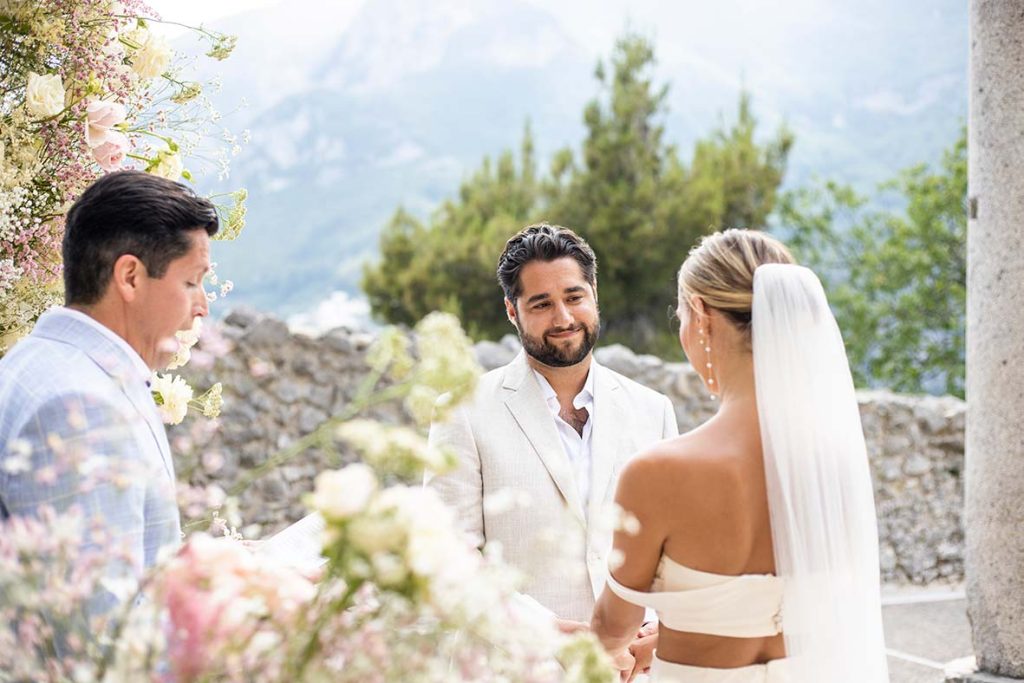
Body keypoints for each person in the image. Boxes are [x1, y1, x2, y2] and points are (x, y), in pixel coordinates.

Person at [591, 229, 889, 682]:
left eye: (681, 315)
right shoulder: (837, 463)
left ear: (701, 316)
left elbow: (612, 629)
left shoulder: (657, 473)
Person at [427, 223, 678, 671]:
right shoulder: (461, 412)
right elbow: (451, 564)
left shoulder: (653, 410)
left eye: (573, 297)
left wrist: (661, 632)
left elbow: (676, 551)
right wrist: (554, 633)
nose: (562, 318)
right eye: (541, 304)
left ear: (594, 293)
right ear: (512, 311)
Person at [0, 170, 218, 618]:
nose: (202, 307)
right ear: (131, 277)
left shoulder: (42, 366)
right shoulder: (78, 409)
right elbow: (96, 640)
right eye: (191, 281)